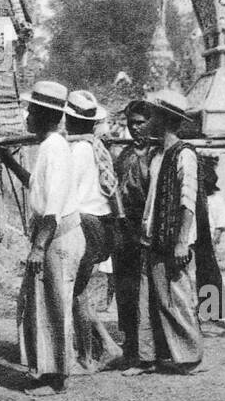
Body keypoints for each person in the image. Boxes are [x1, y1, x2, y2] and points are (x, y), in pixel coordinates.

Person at [0, 80, 82, 397]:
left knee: (54, 306)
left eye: (30, 111)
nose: (26, 117)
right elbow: (37, 187)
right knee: (39, 305)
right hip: (51, 236)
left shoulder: (55, 148)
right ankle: (44, 369)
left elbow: (53, 208)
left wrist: (37, 247)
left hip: (56, 238)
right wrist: (9, 162)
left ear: (44, 114)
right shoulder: (48, 147)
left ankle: (56, 376)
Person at [124, 88, 203, 377]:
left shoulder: (184, 154)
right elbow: (151, 193)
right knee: (148, 301)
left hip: (171, 240)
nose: (147, 122)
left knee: (176, 300)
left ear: (164, 118)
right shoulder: (158, 153)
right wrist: (143, 159)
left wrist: (182, 241)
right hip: (151, 236)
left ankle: (189, 357)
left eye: (153, 115)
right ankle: (149, 358)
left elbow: (188, 199)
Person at [64, 89, 124, 371]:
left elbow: (65, 194)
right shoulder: (95, 147)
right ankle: (103, 346)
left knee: (76, 292)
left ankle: (88, 353)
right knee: (80, 291)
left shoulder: (77, 151)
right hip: (100, 223)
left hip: (85, 223)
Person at [111, 100, 153, 366]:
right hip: (124, 229)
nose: (135, 128)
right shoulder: (124, 154)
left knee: (145, 289)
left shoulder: (157, 153)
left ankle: (146, 349)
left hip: (146, 228)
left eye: (140, 123)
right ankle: (129, 344)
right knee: (124, 286)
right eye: (131, 124)